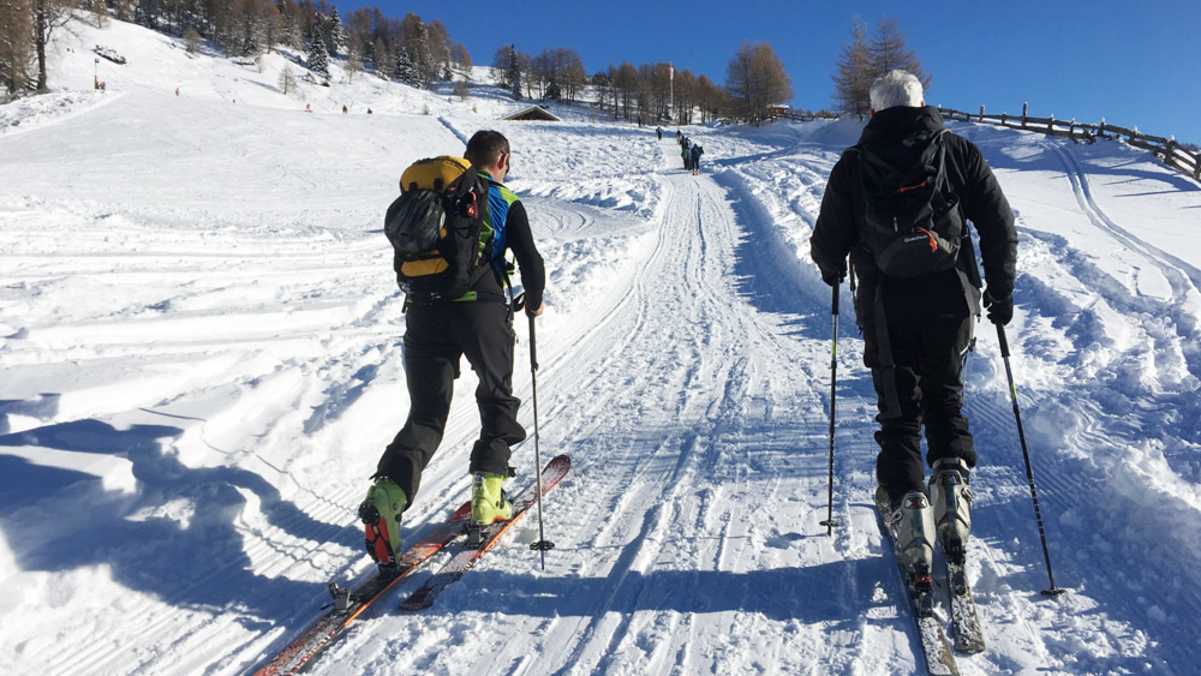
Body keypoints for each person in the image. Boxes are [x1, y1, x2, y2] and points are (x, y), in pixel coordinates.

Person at [809, 70, 1017, 580]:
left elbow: (826, 242)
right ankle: (951, 490)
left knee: (899, 413)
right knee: (945, 395)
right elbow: (998, 223)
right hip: (951, 298)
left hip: (884, 304)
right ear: (924, 104)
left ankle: (910, 511)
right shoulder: (957, 152)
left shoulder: (854, 165)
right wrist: (1002, 292)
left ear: (875, 112)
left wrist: (833, 269)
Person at [362, 131, 546, 565]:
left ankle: (386, 495)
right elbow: (531, 262)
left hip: (423, 311)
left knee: (425, 415)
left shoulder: (438, 193)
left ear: (465, 160)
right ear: (502, 158)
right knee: (496, 395)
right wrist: (534, 302)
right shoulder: (502, 198)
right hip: (481, 311)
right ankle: (488, 495)